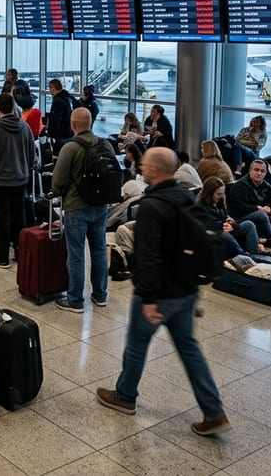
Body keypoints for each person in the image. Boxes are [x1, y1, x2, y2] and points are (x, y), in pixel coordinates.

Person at [96, 147, 229, 437]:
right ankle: (213, 410)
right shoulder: (184, 196)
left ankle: (125, 396)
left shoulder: (152, 206)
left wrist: (149, 298)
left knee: (136, 344)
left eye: (145, 164)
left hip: (161, 293)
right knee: (189, 349)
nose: (141, 167)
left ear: (154, 170)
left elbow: (148, 257)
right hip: (187, 289)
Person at [51, 108, 112, 311]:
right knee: (99, 250)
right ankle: (100, 295)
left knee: (76, 254)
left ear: (73, 124)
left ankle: (75, 299)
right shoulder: (105, 144)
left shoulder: (71, 147)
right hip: (101, 206)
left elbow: (57, 181)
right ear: (91, 122)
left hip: (77, 207)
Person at [0, 93, 35, 269]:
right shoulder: (25, 128)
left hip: (0, 181)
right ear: (13, 107)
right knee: (19, 217)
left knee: (2, 218)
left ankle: (2, 257)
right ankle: (20, 252)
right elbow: (31, 155)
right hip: (20, 179)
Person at [226, 159, 271, 248]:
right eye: (256, 170)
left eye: (262, 171)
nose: (259, 173)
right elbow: (239, 207)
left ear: (265, 173)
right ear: (250, 171)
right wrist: (258, 208)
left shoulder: (265, 185)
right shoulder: (240, 186)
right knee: (263, 216)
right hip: (242, 218)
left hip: (262, 214)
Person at [198, 177, 260, 257]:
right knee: (224, 235)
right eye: (218, 194)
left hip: (225, 228)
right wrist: (223, 225)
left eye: (222, 193)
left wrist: (232, 224)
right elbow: (205, 225)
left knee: (249, 225)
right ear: (210, 193)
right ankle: (243, 257)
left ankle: (255, 255)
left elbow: (225, 216)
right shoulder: (201, 205)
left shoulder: (219, 201)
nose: (221, 196)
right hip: (214, 233)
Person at [46, 79, 76, 153]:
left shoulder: (57, 101)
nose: (49, 91)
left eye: (50, 88)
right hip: (69, 132)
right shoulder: (68, 98)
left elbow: (56, 120)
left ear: (53, 88)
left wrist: (50, 133)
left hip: (60, 135)